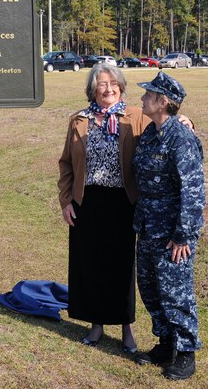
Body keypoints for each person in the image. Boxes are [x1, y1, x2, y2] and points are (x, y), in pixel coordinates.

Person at [58, 63, 150, 353]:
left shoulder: (136, 117)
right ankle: (96, 325)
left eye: (113, 83)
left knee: (121, 266)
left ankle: (126, 327)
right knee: (90, 263)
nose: (108, 88)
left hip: (123, 202)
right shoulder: (79, 120)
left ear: (121, 86)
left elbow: (165, 126)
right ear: (92, 89)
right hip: (87, 202)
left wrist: (186, 122)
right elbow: (66, 164)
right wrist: (65, 201)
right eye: (101, 84)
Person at [133, 72, 205, 380]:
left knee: (176, 292)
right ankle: (166, 343)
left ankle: (186, 352)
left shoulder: (181, 138)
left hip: (172, 233)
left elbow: (193, 191)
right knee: (150, 289)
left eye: (148, 95)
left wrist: (183, 236)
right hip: (148, 226)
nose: (142, 99)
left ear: (163, 102)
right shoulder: (151, 132)